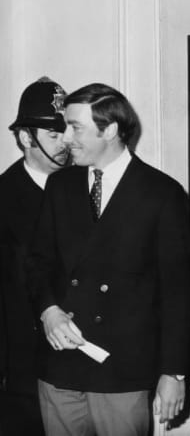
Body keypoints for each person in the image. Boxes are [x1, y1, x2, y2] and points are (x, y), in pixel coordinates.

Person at [26, 83, 190, 436]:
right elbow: (38, 262)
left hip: (123, 369)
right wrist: (49, 311)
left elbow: (178, 292)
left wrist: (173, 373)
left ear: (111, 130)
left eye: (76, 127)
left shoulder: (162, 193)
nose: (66, 138)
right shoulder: (61, 185)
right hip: (60, 363)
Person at [0, 77, 69, 436]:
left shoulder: (83, 186)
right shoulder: (4, 197)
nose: (64, 144)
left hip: (80, 362)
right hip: (24, 369)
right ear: (27, 138)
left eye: (66, 133)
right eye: (53, 136)